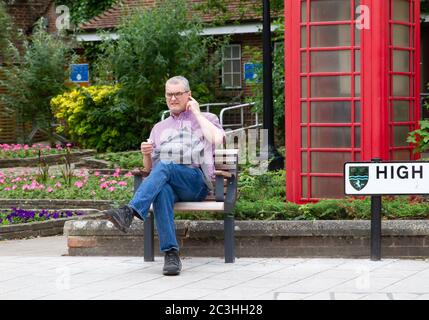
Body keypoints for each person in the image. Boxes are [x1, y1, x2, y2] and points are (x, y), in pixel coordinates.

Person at [103, 76, 225, 276]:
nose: (173, 98)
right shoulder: (159, 128)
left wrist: (196, 113)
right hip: (169, 181)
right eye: (169, 94)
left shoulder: (207, 119)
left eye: (178, 94)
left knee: (167, 165)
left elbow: (217, 140)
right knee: (161, 192)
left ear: (189, 95)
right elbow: (150, 169)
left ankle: (130, 211)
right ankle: (171, 255)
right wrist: (146, 154)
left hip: (195, 182)